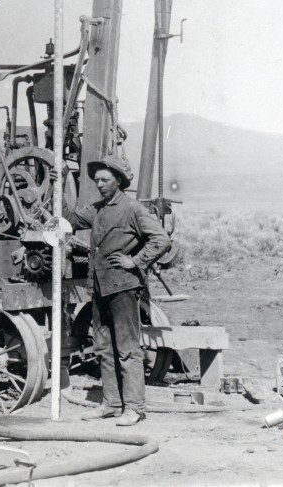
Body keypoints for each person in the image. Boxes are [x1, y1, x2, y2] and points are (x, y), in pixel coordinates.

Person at [65, 154, 169, 426]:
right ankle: (111, 403)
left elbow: (161, 239)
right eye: (97, 179)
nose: (99, 184)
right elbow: (69, 219)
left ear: (119, 180)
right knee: (103, 348)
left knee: (128, 350)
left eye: (105, 179)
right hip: (100, 289)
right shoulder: (98, 210)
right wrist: (61, 181)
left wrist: (135, 261)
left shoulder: (132, 209)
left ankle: (134, 408)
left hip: (123, 288)